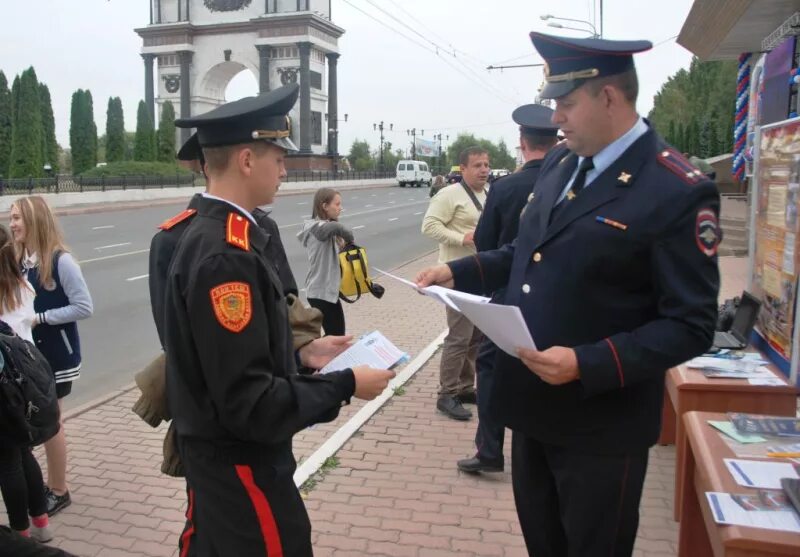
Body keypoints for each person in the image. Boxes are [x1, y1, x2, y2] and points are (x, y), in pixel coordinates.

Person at [416, 31, 720, 556]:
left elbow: (691, 325)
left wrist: (586, 362)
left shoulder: (676, 188)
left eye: (567, 103)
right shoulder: (560, 165)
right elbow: (526, 252)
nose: (556, 117)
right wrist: (457, 273)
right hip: (532, 411)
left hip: (602, 426)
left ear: (610, 97)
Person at [164, 84, 395, 555]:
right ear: (248, 160)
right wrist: (346, 384)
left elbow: (230, 358)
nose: (285, 170)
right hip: (241, 465)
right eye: (279, 158)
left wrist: (301, 353)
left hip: (222, 456)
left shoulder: (219, 235)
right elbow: (249, 402)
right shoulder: (226, 255)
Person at [457, 104, 559, 475]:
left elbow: (486, 244)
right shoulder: (570, 183)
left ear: (522, 142)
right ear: (556, 140)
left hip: (507, 295)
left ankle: (489, 449)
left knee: (490, 368)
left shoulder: (505, 187)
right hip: (556, 298)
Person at [10, 196, 93, 516]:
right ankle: (35, 483)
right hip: (29, 357)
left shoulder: (61, 261)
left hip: (57, 357)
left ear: (36, 221)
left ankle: (59, 490)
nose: (13, 224)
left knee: (51, 423)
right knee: (28, 420)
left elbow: (84, 306)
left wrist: (41, 318)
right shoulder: (21, 260)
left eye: (18, 218)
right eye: (12, 218)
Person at [421, 146, 489, 421]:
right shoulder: (449, 194)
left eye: (486, 165)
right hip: (456, 275)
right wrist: (461, 238)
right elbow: (429, 226)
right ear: (463, 169)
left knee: (475, 337)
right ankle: (446, 394)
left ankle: (464, 387)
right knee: (459, 337)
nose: (484, 170)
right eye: (477, 165)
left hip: (481, 273)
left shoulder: (488, 193)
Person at [0, 224, 53, 543]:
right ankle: (41, 525)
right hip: (25, 378)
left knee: (7, 461)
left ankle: (19, 535)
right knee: (23, 453)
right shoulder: (22, 286)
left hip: (4, 383)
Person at [297, 188, 354, 336]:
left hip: (324, 290)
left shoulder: (324, 227)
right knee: (335, 336)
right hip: (320, 291)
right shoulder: (318, 228)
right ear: (325, 206)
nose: (340, 208)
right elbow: (338, 228)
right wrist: (350, 239)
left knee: (334, 335)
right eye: (337, 204)